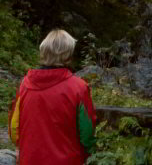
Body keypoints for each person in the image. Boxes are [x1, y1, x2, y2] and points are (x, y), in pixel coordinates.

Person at [9, 28, 96, 164]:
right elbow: (87, 134)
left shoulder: (24, 85)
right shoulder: (79, 87)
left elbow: (14, 128)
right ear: (68, 55)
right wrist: (87, 153)